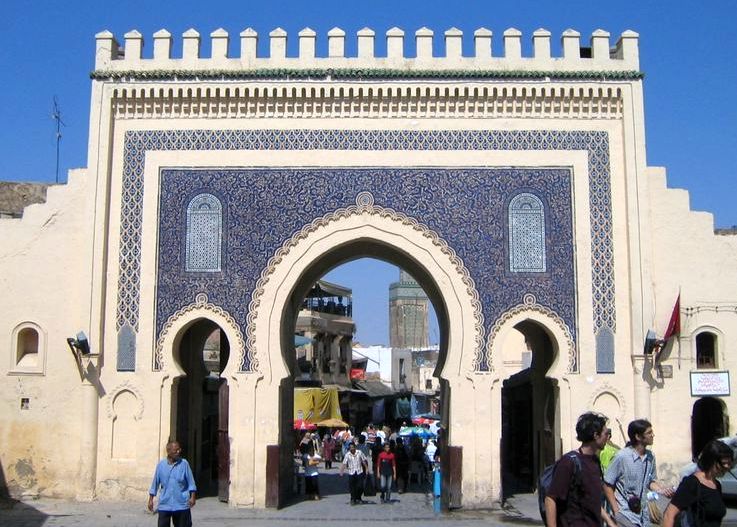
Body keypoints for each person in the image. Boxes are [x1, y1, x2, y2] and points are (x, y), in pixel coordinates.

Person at [545, 412, 617, 527]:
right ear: (595, 435)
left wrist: (609, 521)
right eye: (606, 433)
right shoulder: (568, 463)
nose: (608, 437)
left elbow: (592, 500)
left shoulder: (595, 461)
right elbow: (550, 499)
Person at [604, 419, 675, 527]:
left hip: (643, 516)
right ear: (638, 437)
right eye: (649, 433)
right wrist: (616, 511)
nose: (653, 435)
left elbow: (650, 481)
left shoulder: (650, 457)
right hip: (625, 515)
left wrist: (662, 490)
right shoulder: (622, 457)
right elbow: (607, 484)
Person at [662, 440, 733, 527]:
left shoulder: (717, 485)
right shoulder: (692, 483)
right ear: (711, 461)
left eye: (729, 464)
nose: (727, 467)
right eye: (724, 463)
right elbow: (669, 515)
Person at [147, 440, 197, 527]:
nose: (179, 451)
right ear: (169, 451)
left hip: (181, 504)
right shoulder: (161, 465)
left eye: (179, 449)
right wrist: (151, 499)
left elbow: (191, 482)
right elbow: (155, 483)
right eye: (176, 450)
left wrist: (193, 497)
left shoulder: (184, 464)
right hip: (165, 504)